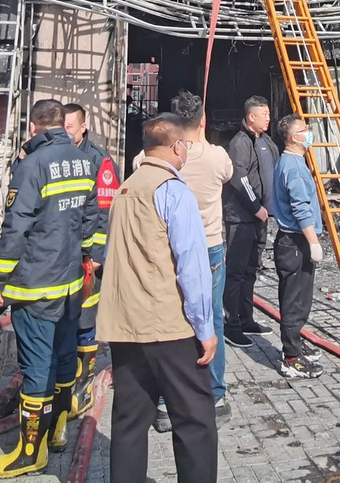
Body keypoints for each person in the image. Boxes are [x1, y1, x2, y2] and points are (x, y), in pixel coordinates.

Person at [98, 112, 217, 483]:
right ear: (178, 146)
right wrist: (205, 328)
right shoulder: (173, 191)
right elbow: (192, 268)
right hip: (169, 326)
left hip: (124, 326)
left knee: (130, 420)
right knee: (194, 419)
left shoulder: (126, 188)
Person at [0, 99, 100, 476]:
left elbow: (16, 227)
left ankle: (29, 452)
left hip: (35, 284)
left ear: (35, 126)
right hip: (70, 281)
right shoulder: (84, 160)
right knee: (64, 357)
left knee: (36, 367)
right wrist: (82, 255)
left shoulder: (31, 165)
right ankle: (57, 433)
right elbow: (89, 218)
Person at [133, 91, 234, 430]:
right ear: (203, 119)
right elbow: (228, 175)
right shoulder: (217, 157)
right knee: (212, 319)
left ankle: (164, 401)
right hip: (209, 247)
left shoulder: (152, 159)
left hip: (166, 251)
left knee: (170, 322)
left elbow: (138, 168)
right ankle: (215, 393)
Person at [61, 101, 120, 419]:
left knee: (85, 321)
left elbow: (106, 212)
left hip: (87, 262)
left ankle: (81, 383)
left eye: (70, 127)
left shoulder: (99, 161)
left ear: (83, 127)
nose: (65, 132)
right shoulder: (54, 158)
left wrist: (95, 256)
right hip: (59, 258)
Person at [271, 113, 325, 379]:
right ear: (294, 137)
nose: (309, 133)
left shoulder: (292, 162)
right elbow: (300, 208)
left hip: (292, 241)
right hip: (295, 241)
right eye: (305, 130)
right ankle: (291, 358)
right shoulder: (292, 166)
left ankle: (295, 345)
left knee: (300, 300)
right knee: (294, 302)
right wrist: (313, 242)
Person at [222, 95, 276, 349]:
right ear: (250, 116)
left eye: (268, 113)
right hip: (242, 218)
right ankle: (231, 324)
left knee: (251, 270)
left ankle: (246, 318)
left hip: (261, 219)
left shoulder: (267, 143)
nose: (268, 117)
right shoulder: (240, 142)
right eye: (263, 114)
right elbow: (239, 178)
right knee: (236, 272)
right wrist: (255, 207)